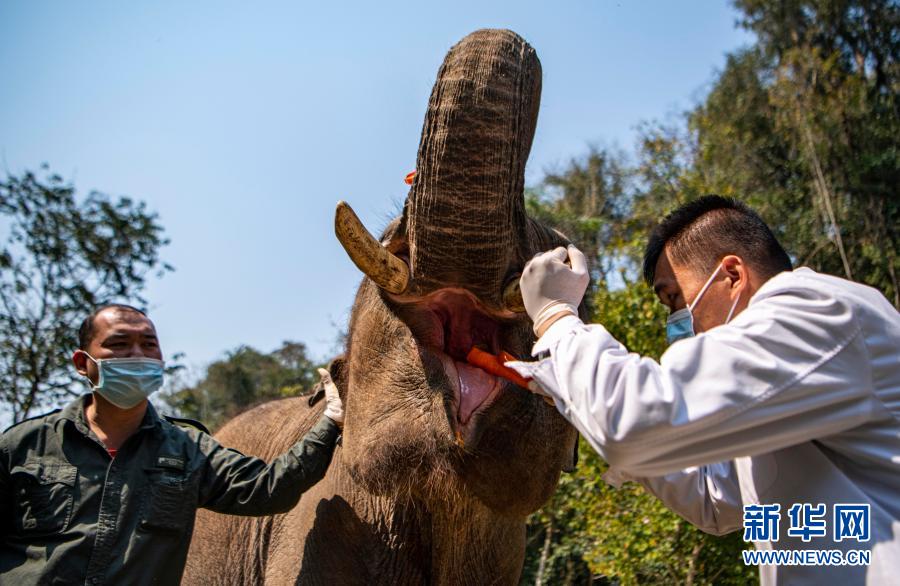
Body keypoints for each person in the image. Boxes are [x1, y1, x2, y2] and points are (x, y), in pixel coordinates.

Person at [508, 195, 900, 585]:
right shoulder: (779, 380)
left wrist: (557, 318)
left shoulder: (818, 311)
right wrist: (576, 394)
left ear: (732, 274)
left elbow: (635, 425)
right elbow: (716, 498)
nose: (677, 323)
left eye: (674, 298)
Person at [0, 304, 344, 585]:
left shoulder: (187, 450)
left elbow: (270, 488)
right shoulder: (23, 445)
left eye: (148, 345)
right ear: (82, 363)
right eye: (119, 345)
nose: (137, 355)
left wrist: (330, 420)